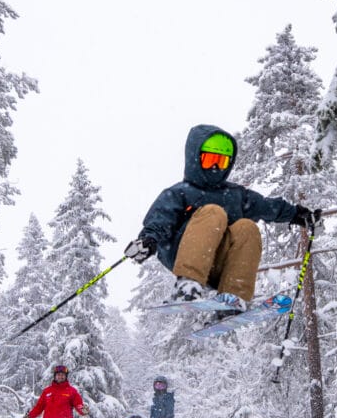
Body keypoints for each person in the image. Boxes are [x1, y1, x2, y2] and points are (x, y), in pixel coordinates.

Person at [123, 124, 322, 309]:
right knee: (213, 212)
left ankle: (234, 297)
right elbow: (160, 219)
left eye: (222, 161)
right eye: (210, 160)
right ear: (195, 159)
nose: (216, 167)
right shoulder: (180, 193)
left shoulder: (236, 195)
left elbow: (267, 206)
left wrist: (297, 214)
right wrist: (148, 240)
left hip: (218, 263)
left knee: (247, 227)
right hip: (184, 254)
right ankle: (187, 285)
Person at [23, 364, 88, 418]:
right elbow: (38, 408)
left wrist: (83, 410)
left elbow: (78, 405)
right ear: (55, 376)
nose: (60, 377)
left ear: (66, 376)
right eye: (58, 375)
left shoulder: (71, 391)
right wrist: (29, 417)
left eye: (63, 375)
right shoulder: (47, 391)